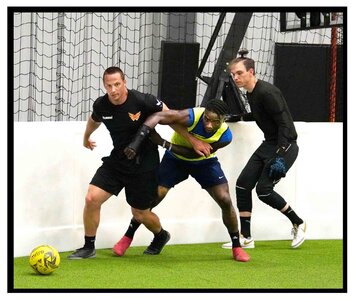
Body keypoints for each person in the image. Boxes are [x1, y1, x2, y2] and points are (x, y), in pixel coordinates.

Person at [112, 99, 251, 262]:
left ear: (223, 120)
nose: (208, 125)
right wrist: (137, 142)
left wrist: (163, 143)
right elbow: (156, 116)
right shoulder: (190, 116)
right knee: (151, 199)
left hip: (204, 162)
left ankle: (236, 246)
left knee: (225, 199)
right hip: (174, 160)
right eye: (207, 118)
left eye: (215, 121)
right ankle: (129, 237)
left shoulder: (225, 136)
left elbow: (194, 153)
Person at [68, 66, 171, 259]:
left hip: (144, 164)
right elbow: (94, 120)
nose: (113, 90)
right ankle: (88, 246)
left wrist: (191, 139)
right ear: (104, 86)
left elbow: (170, 115)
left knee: (140, 214)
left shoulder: (142, 100)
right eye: (109, 86)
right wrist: (86, 137)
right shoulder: (101, 105)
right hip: (118, 160)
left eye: (117, 84)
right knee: (92, 198)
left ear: (124, 82)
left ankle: (161, 235)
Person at [222, 51, 306, 250]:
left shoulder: (267, 92)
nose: (236, 78)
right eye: (233, 74)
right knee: (243, 185)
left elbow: (286, 124)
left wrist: (281, 155)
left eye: (239, 73)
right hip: (269, 144)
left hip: (284, 145)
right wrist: (241, 117)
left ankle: (298, 222)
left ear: (251, 72)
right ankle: (246, 237)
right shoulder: (252, 93)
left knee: (263, 191)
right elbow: (261, 115)